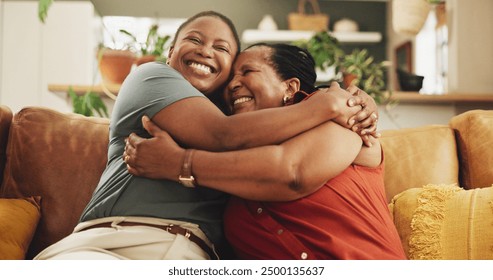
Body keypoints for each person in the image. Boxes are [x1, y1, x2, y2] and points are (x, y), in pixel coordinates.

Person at [34, 11, 377, 260]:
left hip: (190, 255)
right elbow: (222, 135)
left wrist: (350, 104)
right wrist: (332, 104)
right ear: (171, 53)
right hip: (110, 240)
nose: (205, 51)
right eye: (194, 40)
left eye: (223, 49)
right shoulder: (152, 77)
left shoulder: (255, 123)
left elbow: (289, 170)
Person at [123, 43, 405, 260]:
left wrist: (179, 164)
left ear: (290, 87)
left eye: (248, 72)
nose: (233, 85)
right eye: (230, 78)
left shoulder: (340, 110)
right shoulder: (230, 169)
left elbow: (293, 172)